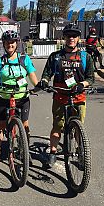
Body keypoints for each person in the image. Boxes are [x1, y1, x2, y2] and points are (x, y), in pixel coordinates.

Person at [36, 23, 95, 166]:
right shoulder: (55, 57)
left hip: (78, 97)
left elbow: (90, 78)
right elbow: (46, 74)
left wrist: (82, 84)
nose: (71, 38)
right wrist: (44, 81)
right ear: (64, 38)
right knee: (57, 126)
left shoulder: (85, 57)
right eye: (69, 36)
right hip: (60, 97)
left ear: (79, 38)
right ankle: (53, 152)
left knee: (78, 129)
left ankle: (81, 153)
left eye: (74, 36)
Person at [0, 30, 40, 164]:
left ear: (17, 43)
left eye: (12, 42)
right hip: (3, 97)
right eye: (7, 42)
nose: (10, 44)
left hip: (22, 97)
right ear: (3, 44)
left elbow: (33, 77)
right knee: (0, 125)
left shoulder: (24, 59)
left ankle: (25, 150)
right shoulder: (0, 61)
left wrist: (37, 86)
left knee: (25, 125)